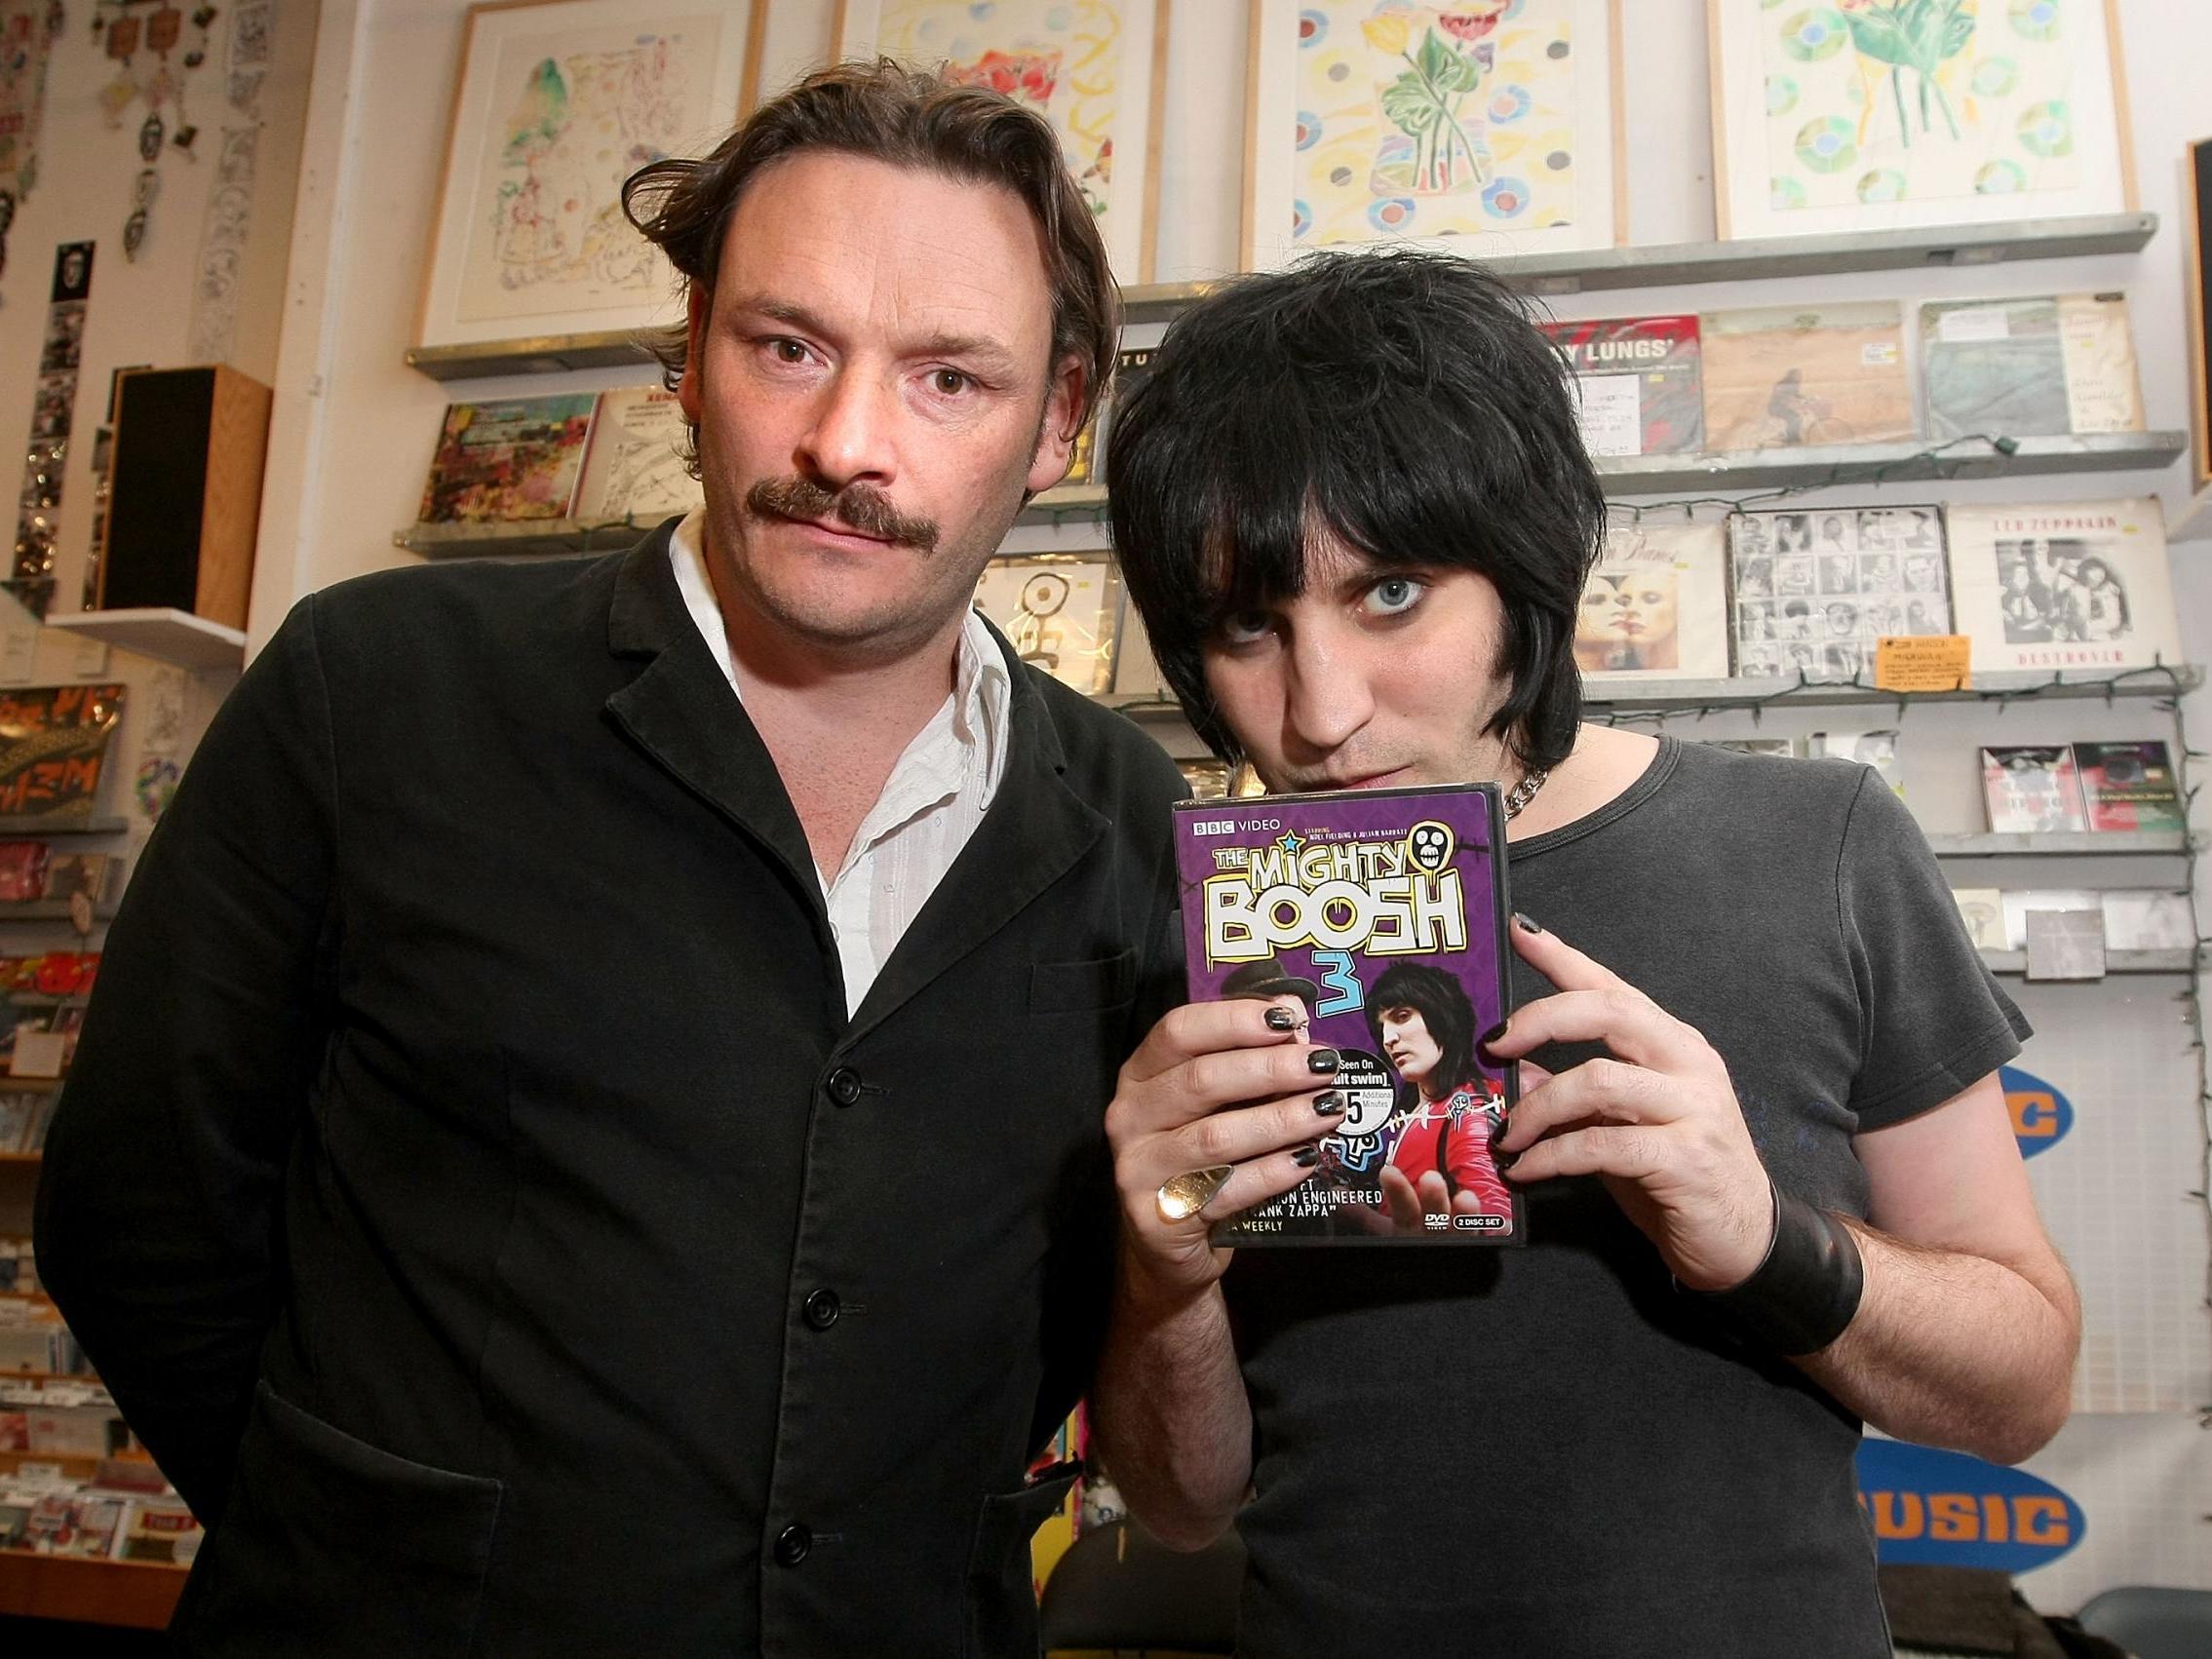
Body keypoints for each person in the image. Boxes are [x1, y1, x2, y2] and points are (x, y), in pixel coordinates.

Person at [34, 62, 1187, 1656]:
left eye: (947, 380)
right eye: (787, 347)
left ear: (1055, 420)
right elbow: (135, 1208)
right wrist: (362, 1546)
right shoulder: (373, 689)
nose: (847, 440)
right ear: (688, 356)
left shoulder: (1130, 815)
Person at [1092, 251, 2077, 1657]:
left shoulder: (1818, 845)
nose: (1318, 712)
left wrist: (1762, 1237)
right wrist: (1164, 1271)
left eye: (1389, 594)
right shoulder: (1193, 924)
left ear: (1523, 569)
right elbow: (1183, 1507)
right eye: (1252, 624)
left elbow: (2021, 1384)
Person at [1365, 961, 1512, 1227]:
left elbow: (1492, 1211)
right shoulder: (1416, 1110)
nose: (1388, 1038)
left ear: (1442, 1016)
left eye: (1401, 1016)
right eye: (1382, 1026)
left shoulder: (1469, 1105)